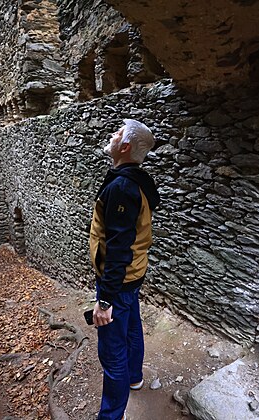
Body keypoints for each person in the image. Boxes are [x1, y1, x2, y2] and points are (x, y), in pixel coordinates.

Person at [89, 119, 160, 420]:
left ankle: (111, 416)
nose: (112, 135)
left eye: (118, 133)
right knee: (131, 326)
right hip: (133, 275)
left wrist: (105, 299)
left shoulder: (121, 187)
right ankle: (134, 377)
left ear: (125, 146)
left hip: (118, 281)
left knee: (112, 350)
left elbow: (118, 247)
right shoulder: (136, 180)